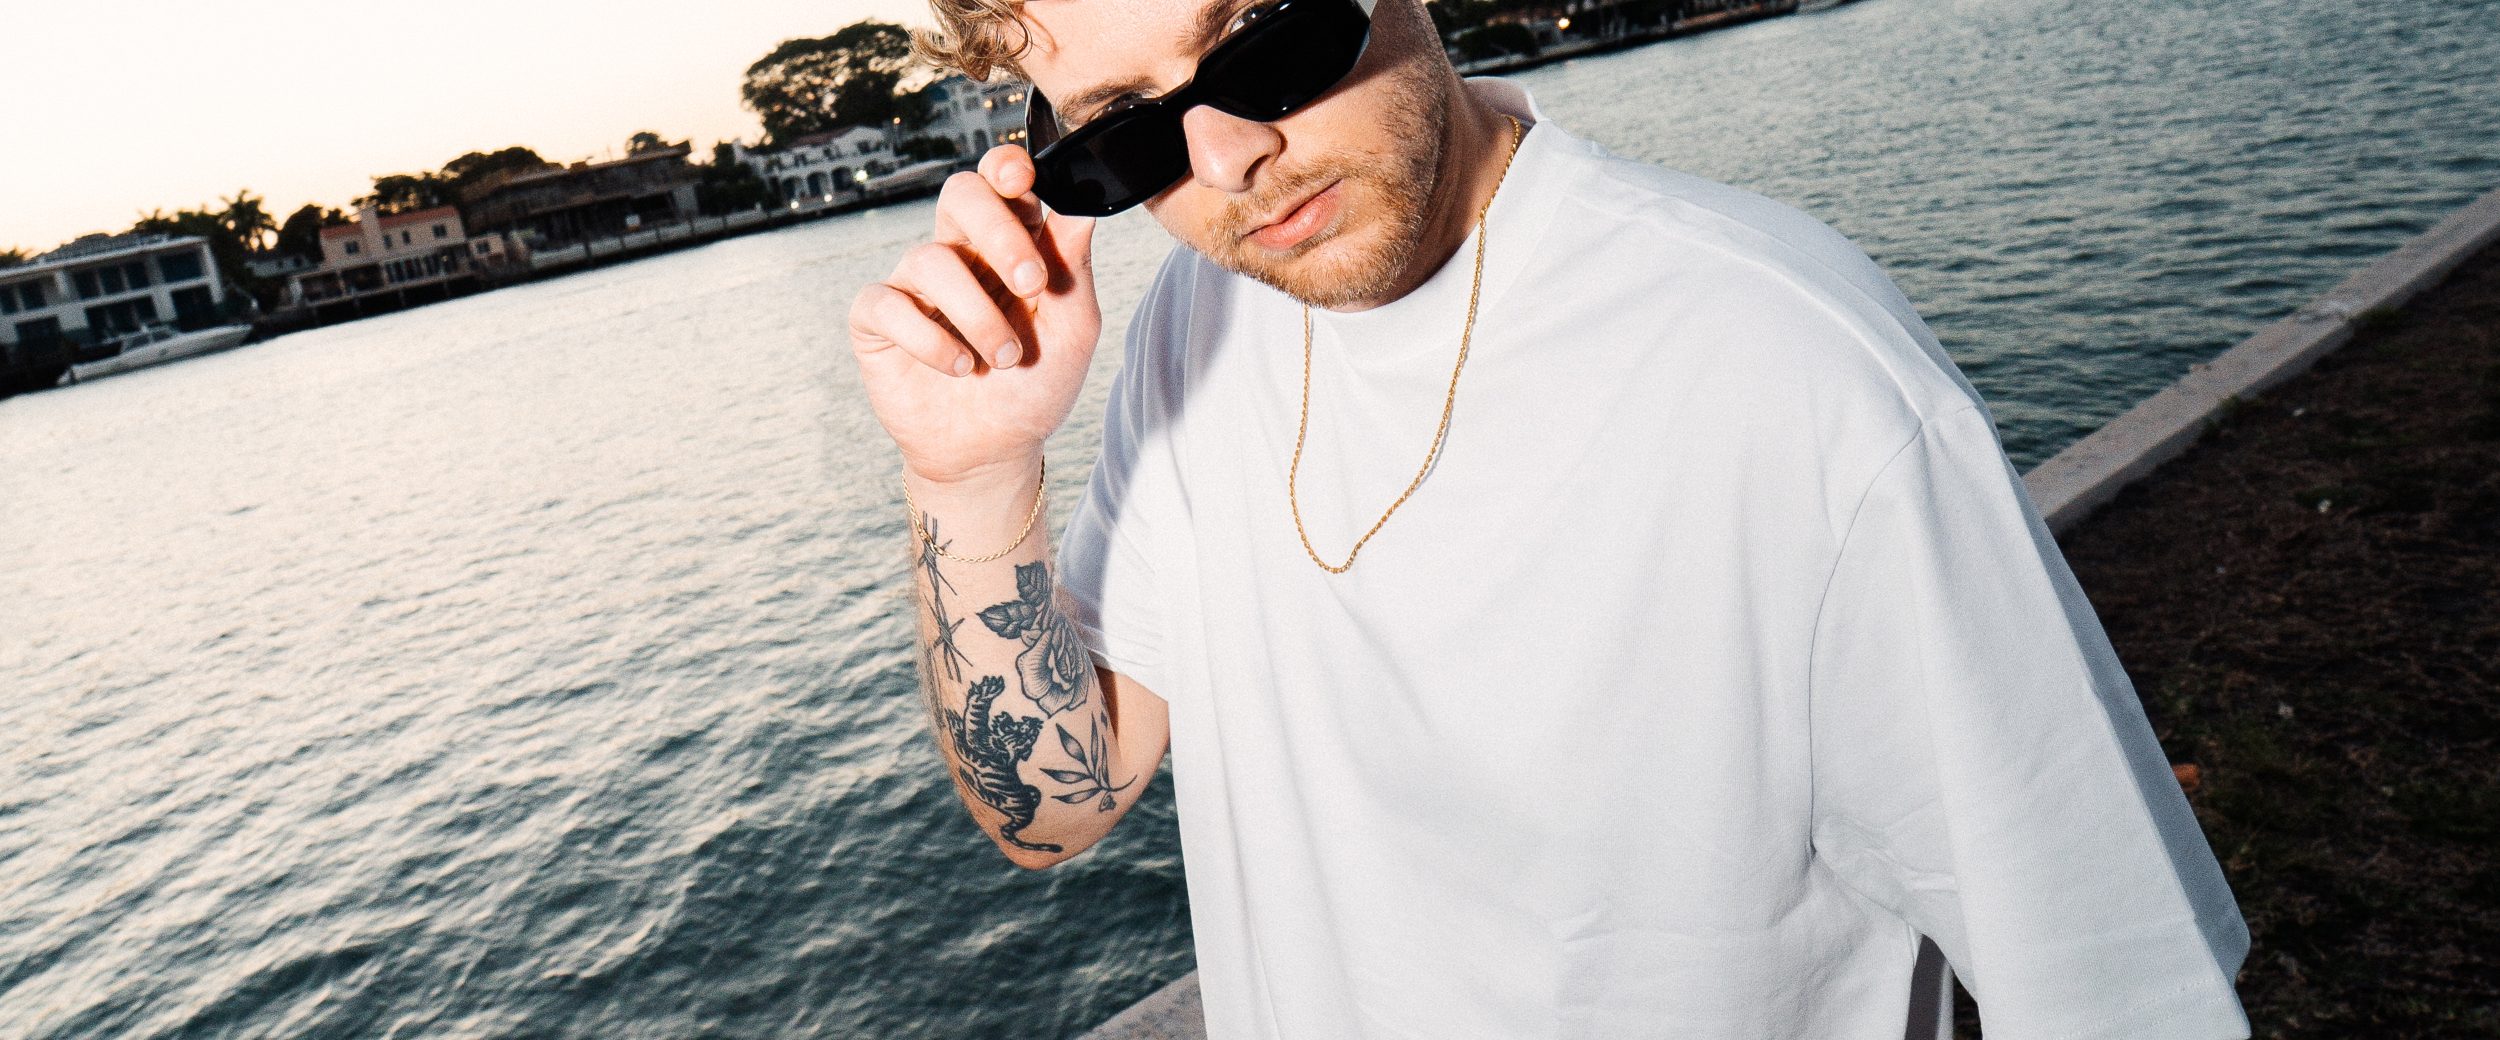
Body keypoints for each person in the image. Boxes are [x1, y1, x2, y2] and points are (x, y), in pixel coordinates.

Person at [846, 0, 2254, 1035]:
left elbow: (2114, 987)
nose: (1223, 158)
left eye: (1265, 38)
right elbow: (1056, 804)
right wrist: (972, 475)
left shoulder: (1781, 362)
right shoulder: (1193, 328)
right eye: (1124, 133)